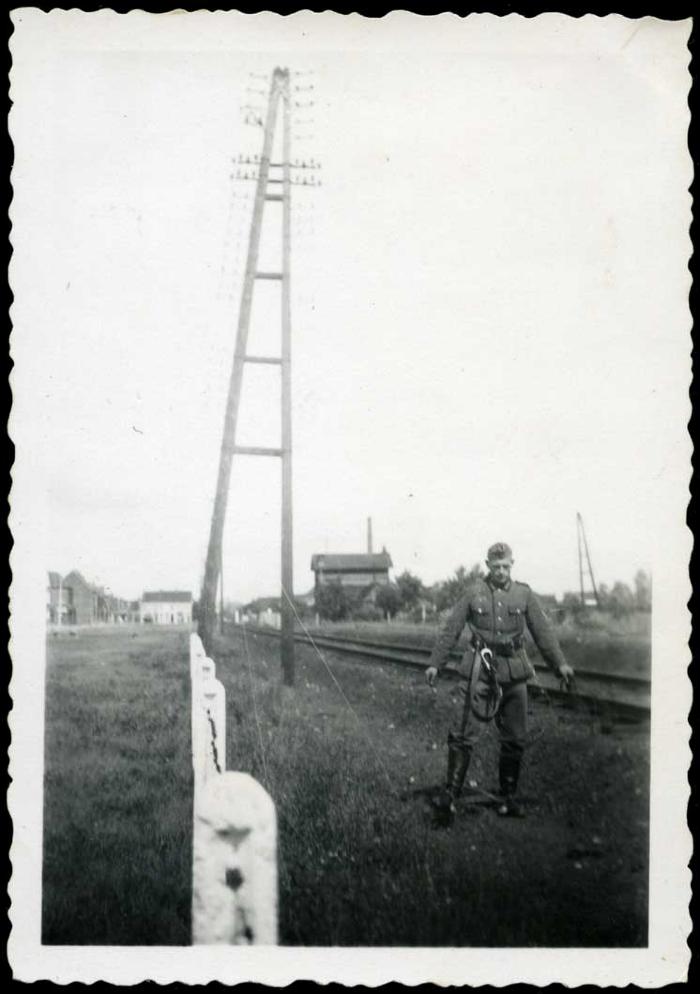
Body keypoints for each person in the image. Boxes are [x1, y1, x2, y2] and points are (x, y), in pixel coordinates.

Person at [426, 542, 575, 818]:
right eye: (496, 567)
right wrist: (436, 663)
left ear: (512, 564)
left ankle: (508, 798)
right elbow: (451, 630)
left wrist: (560, 665)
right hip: (478, 672)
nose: (501, 572)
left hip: (515, 673)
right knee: (463, 733)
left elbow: (543, 633)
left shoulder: (524, 594)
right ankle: (450, 796)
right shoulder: (473, 593)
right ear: (487, 566)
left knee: (515, 738)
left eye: (506, 566)